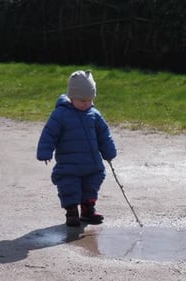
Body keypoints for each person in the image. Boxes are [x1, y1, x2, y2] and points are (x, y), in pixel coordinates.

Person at [37, 70, 117, 227]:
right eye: (82, 100)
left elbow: (104, 134)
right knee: (69, 186)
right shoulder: (60, 114)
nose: (86, 103)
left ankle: (88, 209)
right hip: (69, 163)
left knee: (91, 184)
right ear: (71, 97)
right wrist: (45, 151)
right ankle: (72, 212)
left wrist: (109, 152)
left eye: (89, 100)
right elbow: (49, 133)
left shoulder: (94, 114)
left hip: (91, 163)